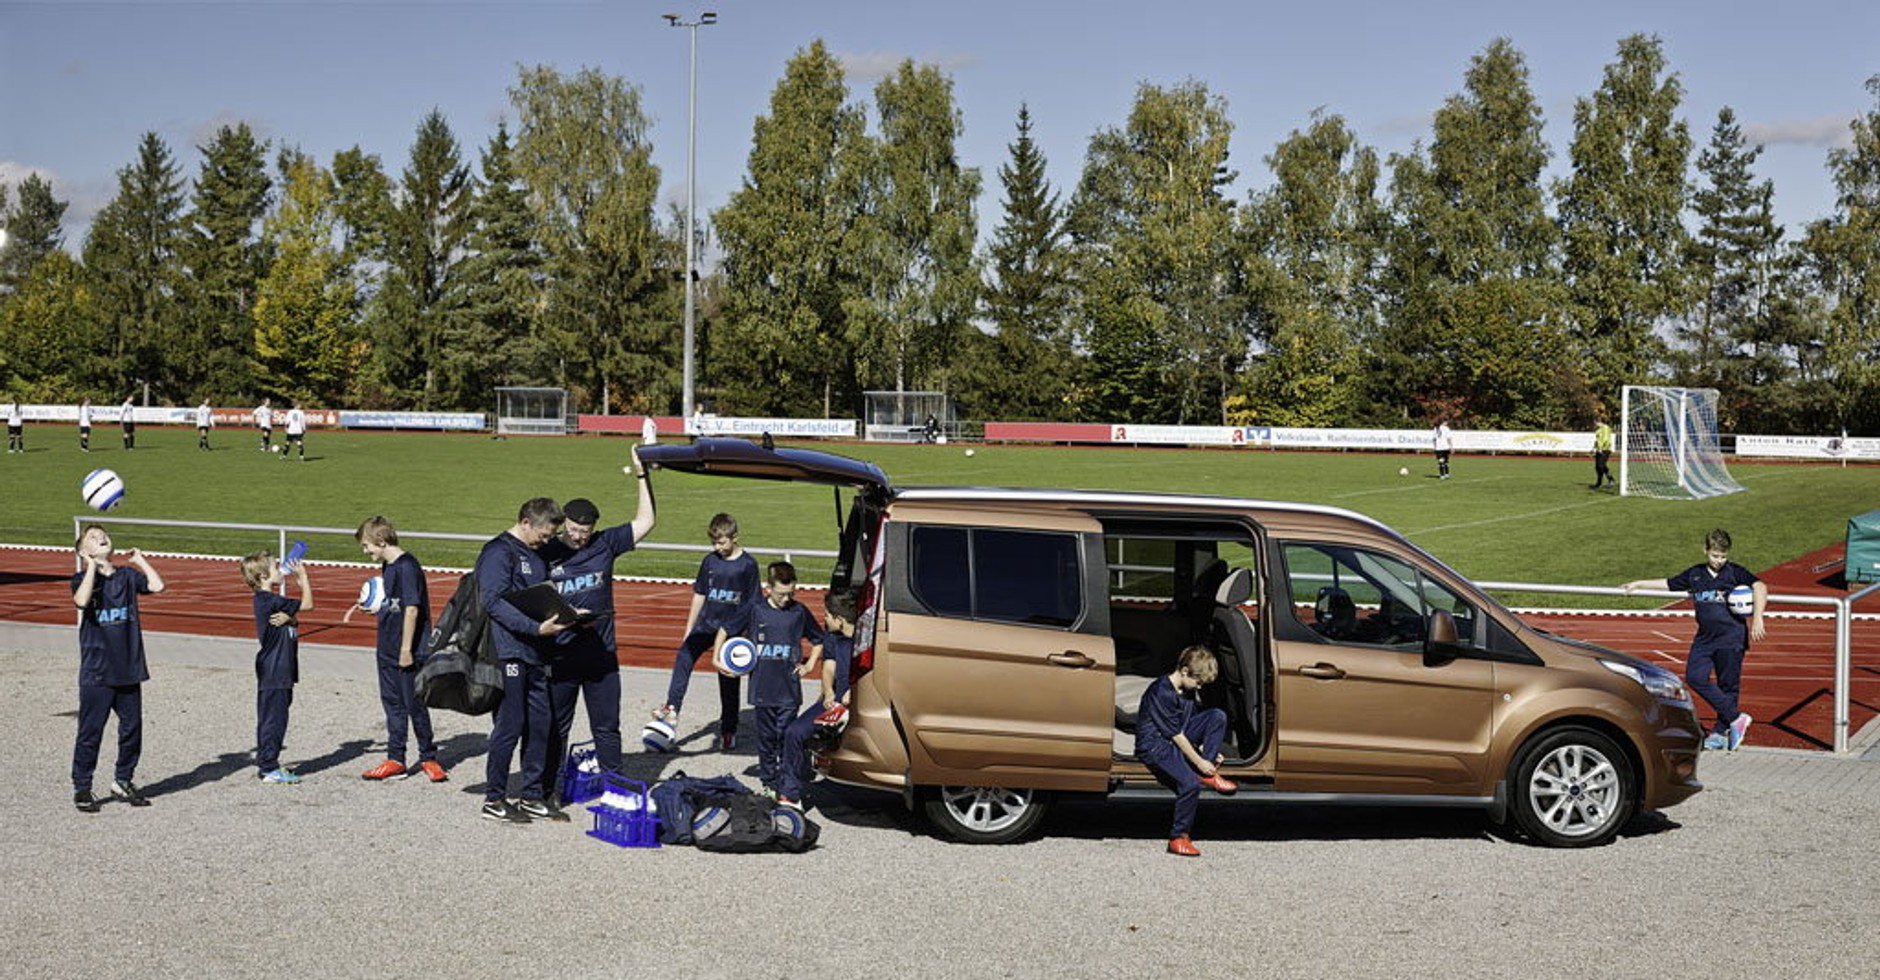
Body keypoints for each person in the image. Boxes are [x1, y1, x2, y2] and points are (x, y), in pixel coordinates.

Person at [538, 450, 656, 802]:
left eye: (585, 532)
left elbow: (647, 521)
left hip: (601, 654)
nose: (579, 538)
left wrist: (642, 475)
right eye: (574, 531)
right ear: (564, 524)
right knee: (557, 726)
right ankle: (549, 790)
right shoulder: (546, 551)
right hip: (560, 654)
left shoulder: (605, 543)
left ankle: (615, 788)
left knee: (607, 726)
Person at [475, 498, 574, 823]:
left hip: (536, 652)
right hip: (508, 652)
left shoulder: (536, 553)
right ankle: (494, 798)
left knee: (540, 724)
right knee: (510, 725)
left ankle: (531, 795)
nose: (546, 542)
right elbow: (493, 602)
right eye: (543, 535)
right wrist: (534, 628)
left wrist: (567, 615)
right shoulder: (498, 552)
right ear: (526, 522)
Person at [1624, 528, 1767, 751]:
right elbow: (1669, 583)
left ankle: (1720, 733)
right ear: (1705, 551)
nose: (1719, 561)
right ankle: (1736, 718)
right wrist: (1639, 583)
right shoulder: (1695, 574)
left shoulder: (1734, 572)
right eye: (1715, 555)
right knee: (1695, 676)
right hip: (1705, 638)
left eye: (1723, 556)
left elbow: (1760, 586)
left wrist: (1758, 618)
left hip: (1731, 637)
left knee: (1728, 685)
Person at [69, 524, 166, 812]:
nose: (100, 537)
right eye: (92, 537)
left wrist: (140, 561)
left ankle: (123, 780)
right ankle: (82, 787)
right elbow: (81, 601)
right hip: (97, 672)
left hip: (128, 668)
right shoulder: (81, 579)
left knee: (132, 729)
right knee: (91, 731)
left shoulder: (126, 576)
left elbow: (157, 586)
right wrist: (91, 566)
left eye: (102, 534)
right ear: (83, 550)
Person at [714, 560, 823, 802]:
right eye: (782, 594)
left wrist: (809, 665)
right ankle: (769, 782)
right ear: (768, 588)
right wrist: (717, 658)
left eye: (791, 593)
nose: (786, 599)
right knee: (766, 739)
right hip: (762, 689)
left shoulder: (798, 611)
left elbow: (818, 639)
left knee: (786, 737)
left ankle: (788, 782)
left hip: (789, 691)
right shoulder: (755, 609)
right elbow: (725, 629)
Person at [652, 512, 760, 750]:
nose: (717, 547)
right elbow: (700, 594)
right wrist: (689, 627)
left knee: (728, 680)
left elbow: (753, 603)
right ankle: (672, 708)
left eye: (721, 542)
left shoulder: (748, 565)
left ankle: (729, 730)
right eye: (713, 543)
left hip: (732, 630)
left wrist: (746, 635)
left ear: (734, 537)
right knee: (684, 656)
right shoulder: (709, 561)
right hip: (707, 623)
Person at [354, 517, 444, 782]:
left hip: (408, 650)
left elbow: (412, 609)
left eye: (367, 545)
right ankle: (396, 759)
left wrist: (406, 650)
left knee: (414, 704)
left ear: (381, 541)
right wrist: (377, 608)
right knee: (392, 704)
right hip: (386, 646)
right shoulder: (388, 565)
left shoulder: (407, 567)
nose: (365, 551)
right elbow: (394, 603)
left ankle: (428, 757)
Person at [1135, 645, 1238, 857]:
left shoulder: (1187, 690)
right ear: (1184, 671)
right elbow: (1176, 735)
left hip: (1174, 737)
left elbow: (1186, 725)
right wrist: (1199, 761)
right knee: (1190, 784)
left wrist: (1206, 752)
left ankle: (1207, 773)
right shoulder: (1162, 691)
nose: (1199, 687)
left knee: (1217, 716)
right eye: (1198, 682)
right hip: (1155, 744)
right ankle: (1178, 837)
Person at [777, 589, 857, 811]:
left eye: (828, 615)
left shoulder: (865, 640)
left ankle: (804, 772)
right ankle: (791, 794)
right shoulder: (831, 636)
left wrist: (854, 692)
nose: (825, 619)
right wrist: (829, 692)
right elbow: (829, 667)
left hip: (858, 701)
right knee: (794, 733)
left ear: (839, 619)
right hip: (833, 701)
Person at [242, 548, 313, 784]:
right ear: (263, 576)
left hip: (279, 668)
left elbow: (293, 620)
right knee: (273, 719)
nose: (281, 569)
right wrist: (303, 578)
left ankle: (268, 762)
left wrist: (291, 618)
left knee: (275, 717)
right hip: (275, 668)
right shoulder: (268, 600)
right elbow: (308, 605)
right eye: (275, 566)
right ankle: (269, 767)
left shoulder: (270, 602)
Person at [1591, 413, 1614, 490]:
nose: (1595, 424)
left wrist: (1601, 447)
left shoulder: (1606, 428)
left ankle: (1610, 479)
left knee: (1601, 465)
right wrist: (1594, 448)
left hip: (1605, 450)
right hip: (1599, 450)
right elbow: (1598, 440)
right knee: (1598, 467)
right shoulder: (1599, 430)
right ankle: (1599, 483)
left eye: (1595, 422)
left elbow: (1605, 439)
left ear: (1599, 422)